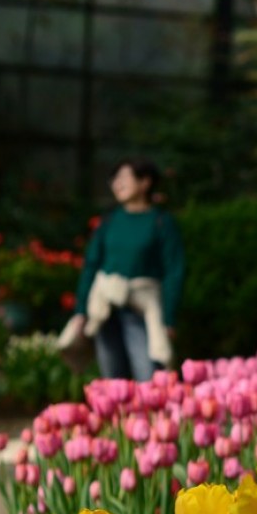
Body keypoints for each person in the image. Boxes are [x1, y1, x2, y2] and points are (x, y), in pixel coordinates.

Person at [63, 158, 186, 382]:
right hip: (105, 308)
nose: (117, 184)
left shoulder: (161, 223)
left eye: (123, 178)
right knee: (113, 382)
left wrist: (169, 319)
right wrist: (81, 310)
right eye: (114, 180)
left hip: (141, 309)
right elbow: (91, 265)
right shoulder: (110, 222)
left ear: (145, 182)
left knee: (148, 378)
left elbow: (174, 271)